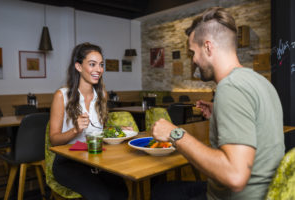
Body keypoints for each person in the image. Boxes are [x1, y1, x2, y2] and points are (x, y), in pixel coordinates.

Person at [151, 7, 285, 200]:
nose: (194, 60)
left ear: (208, 47)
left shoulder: (230, 88)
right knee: (166, 190)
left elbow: (235, 176)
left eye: (193, 53)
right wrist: (219, 112)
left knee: (159, 194)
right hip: (266, 192)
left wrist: (175, 133)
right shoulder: (260, 81)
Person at [50, 42, 128, 200]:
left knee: (121, 192)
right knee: (101, 196)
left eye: (101, 65)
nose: (98, 70)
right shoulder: (61, 95)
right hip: (68, 162)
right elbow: (54, 140)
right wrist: (75, 130)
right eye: (92, 64)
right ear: (78, 67)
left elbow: (101, 131)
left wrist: (117, 130)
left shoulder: (102, 95)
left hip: (96, 159)